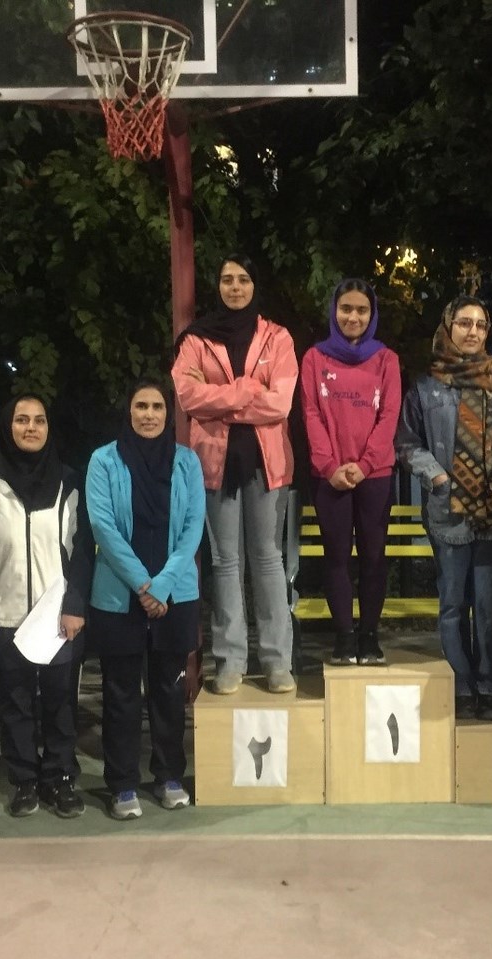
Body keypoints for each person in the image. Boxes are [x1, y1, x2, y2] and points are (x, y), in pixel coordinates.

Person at [395, 295, 492, 720]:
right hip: (448, 514)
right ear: (448, 327)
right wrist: (437, 477)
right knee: (453, 604)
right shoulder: (426, 387)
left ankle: (490, 690)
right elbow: (407, 442)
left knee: (491, 606)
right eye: (464, 323)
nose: (472, 331)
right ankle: (461, 688)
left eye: (480, 324)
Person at [172, 253, 298, 695]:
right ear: (218, 286)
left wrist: (220, 399)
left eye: (243, 279)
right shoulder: (196, 339)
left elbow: (280, 403)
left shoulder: (277, 337)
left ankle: (277, 662)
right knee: (225, 563)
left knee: (268, 560)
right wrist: (247, 390)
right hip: (213, 463)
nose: (235, 287)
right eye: (227, 279)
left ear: (254, 285)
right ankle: (230, 661)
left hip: (267, 464)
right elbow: (188, 397)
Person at [86, 382, 205, 820]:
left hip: (175, 596)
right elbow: (102, 526)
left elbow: (193, 526)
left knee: (169, 693)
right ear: (129, 410)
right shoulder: (103, 460)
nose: (149, 414)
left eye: (157, 406)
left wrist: (163, 585)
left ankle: (169, 776)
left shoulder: (187, 462)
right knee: (120, 696)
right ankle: (122, 784)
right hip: (119, 597)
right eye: (141, 406)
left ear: (168, 414)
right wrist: (143, 584)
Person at [0, 395, 93, 820]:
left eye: (39, 420)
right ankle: (24, 780)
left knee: (61, 702)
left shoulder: (69, 481)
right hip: (4, 614)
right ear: (7, 426)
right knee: (14, 704)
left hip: (58, 616)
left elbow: (82, 551)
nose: (31, 427)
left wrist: (75, 604)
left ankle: (60, 777)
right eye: (22, 420)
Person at [299, 278, 402, 664]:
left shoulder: (386, 359)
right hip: (330, 476)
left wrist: (365, 464)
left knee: (374, 556)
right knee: (336, 556)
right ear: (334, 311)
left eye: (362, 310)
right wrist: (329, 466)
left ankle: (369, 636)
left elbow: (389, 415)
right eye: (346, 309)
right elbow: (310, 413)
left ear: (372, 314)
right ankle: (344, 637)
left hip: (374, 475)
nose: (353, 317)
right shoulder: (314, 359)